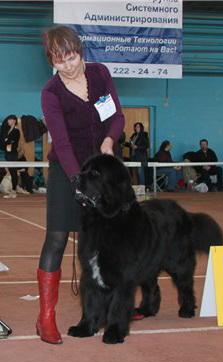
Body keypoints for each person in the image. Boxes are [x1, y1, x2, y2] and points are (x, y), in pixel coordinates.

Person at [36, 25, 124, 344]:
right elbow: (60, 142)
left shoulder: (100, 74)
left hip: (100, 164)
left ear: (79, 50)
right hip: (66, 168)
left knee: (97, 243)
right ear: (52, 61)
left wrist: (109, 142)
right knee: (57, 239)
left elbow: (117, 117)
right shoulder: (50, 93)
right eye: (60, 61)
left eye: (71, 56)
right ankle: (46, 318)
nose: (68, 65)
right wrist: (79, 182)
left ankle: (96, 312)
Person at [0, 115, 20, 198]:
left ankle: (14, 191)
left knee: (13, 172)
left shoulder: (16, 131)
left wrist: (6, 141)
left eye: (10, 120)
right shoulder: (8, 130)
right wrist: (6, 141)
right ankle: (13, 191)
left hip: (13, 154)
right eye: (8, 120)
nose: (8, 121)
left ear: (14, 121)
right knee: (7, 171)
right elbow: (5, 142)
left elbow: (10, 141)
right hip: (7, 153)